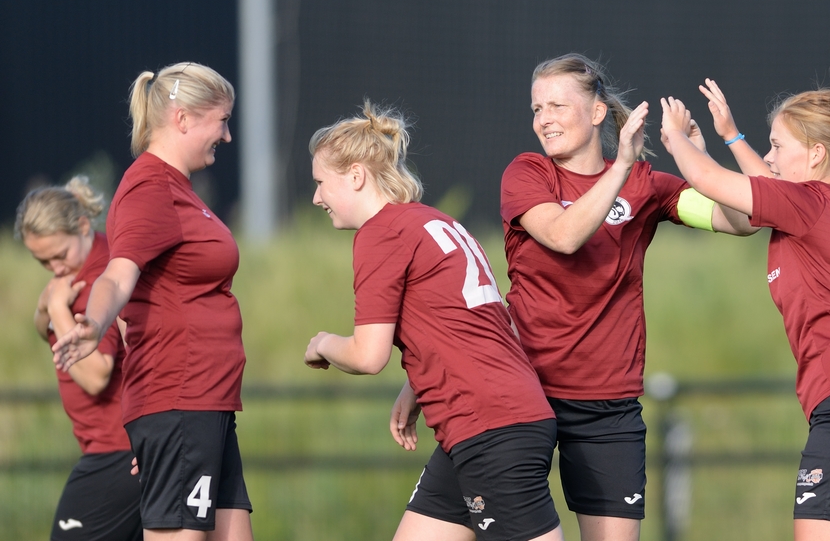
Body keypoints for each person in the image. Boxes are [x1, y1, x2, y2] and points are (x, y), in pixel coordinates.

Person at [659, 80, 830, 541]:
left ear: (817, 154)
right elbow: (772, 190)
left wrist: (676, 139)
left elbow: (709, 181)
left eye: (777, 146)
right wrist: (730, 137)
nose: (769, 157)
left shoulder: (811, 205)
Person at [499, 53, 755, 541]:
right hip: (525, 392)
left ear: (597, 112)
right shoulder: (527, 172)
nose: (543, 119)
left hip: (607, 403)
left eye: (557, 106)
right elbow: (564, 236)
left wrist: (698, 162)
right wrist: (620, 167)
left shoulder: (646, 186)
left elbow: (741, 222)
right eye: (536, 109)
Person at [303, 100, 564, 541]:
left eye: (320, 183)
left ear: (356, 176)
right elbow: (469, 325)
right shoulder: (431, 220)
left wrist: (322, 343)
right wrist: (416, 389)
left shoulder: (380, 233)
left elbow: (368, 356)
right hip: (488, 419)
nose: (316, 198)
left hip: (490, 426)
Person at [52, 62, 253, 541]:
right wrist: (93, 323)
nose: (227, 136)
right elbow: (118, 275)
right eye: (222, 121)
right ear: (182, 119)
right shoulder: (150, 187)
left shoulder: (177, 188)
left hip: (206, 403)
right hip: (182, 398)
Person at [16, 176, 142, 541]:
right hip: (116, 448)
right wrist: (46, 309)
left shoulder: (98, 280)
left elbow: (96, 375)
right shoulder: (84, 265)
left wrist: (56, 309)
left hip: (116, 451)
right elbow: (44, 329)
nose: (55, 268)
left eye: (59, 255)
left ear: (83, 226)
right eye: (43, 261)